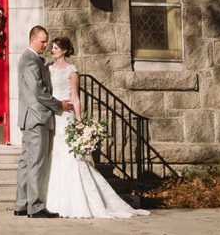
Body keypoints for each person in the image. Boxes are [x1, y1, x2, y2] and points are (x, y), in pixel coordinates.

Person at [45, 36, 150, 218]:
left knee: (71, 158)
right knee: (55, 156)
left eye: (55, 47)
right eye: (51, 47)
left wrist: (79, 122)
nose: (52, 50)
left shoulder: (72, 71)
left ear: (64, 50)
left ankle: (76, 201)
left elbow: (76, 97)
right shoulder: (48, 69)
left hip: (67, 116)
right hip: (53, 115)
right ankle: (52, 201)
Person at [14, 24, 72, 219]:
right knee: (36, 162)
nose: (46, 45)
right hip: (37, 118)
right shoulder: (31, 60)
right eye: (43, 41)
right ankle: (35, 206)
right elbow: (39, 92)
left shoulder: (31, 59)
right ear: (32, 40)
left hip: (30, 117)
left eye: (47, 41)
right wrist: (59, 105)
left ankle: (21, 204)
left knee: (26, 162)